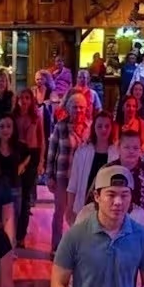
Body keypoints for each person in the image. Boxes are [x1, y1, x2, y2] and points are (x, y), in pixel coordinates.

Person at [74, 130, 144, 231]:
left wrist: (143, 219)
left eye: (135, 148)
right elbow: (92, 201)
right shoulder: (106, 171)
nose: (131, 151)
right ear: (118, 148)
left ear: (140, 150)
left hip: (137, 227)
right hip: (107, 227)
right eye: (127, 147)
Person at [46, 91, 91, 255]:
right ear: (68, 108)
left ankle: (78, 247)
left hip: (82, 179)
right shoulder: (60, 126)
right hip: (63, 176)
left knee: (79, 212)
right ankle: (56, 247)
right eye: (75, 107)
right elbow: (52, 152)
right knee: (60, 212)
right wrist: (49, 175)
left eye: (81, 107)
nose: (78, 111)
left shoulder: (90, 127)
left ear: (86, 109)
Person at [66, 110, 117, 220]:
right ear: (94, 128)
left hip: (107, 209)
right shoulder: (82, 152)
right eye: (99, 126)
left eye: (107, 126)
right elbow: (73, 182)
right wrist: (69, 207)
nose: (103, 129)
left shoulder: (116, 154)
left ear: (112, 128)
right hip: (84, 206)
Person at [11, 88, 45, 246]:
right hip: (16, 156)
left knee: (25, 199)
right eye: (21, 98)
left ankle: (21, 236)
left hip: (32, 156)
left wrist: (41, 162)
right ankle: (10, 231)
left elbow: (41, 140)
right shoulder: (13, 117)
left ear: (31, 100)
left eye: (27, 98)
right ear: (17, 100)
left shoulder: (36, 117)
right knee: (13, 198)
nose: (24, 101)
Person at [115, 91, 144, 155]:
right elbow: (115, 142)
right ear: (123, 107)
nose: (131, 109)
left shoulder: (141, 123)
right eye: (128, 106)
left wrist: (139, 154)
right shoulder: (117, 124)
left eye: (134, 106)